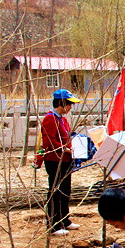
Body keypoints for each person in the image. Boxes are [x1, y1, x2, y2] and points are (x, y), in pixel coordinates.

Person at [41, 88, 82, 235]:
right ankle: (53, 225)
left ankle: (64, 220)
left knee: (65, 191)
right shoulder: (50, 119)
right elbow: (49, 141)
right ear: (61, 103)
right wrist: (65, 149)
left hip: (66, 160)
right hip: (54, 160)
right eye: (69, 104)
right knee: (55, 192)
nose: (71, 107)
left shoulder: (63, 119)